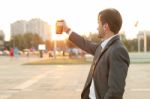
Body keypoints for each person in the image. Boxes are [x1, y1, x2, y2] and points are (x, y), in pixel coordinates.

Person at [62, 8, 130, 99]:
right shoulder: (103, 46)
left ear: (105, 26)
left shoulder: (118, 50)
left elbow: (115, 92)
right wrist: (67, 30)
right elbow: (86, 44)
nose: (97, 27)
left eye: (98, 23)